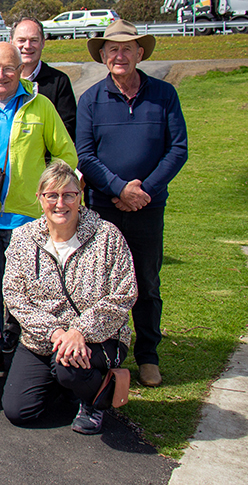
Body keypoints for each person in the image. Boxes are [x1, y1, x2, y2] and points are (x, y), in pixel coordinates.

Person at [0, 42, 77, 376]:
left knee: (29, 291)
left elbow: (66, 156)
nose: (1, 76)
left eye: (9, 68)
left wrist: (47, 198)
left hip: (28, 219)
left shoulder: (41, 107)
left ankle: (26, 352)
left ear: (20, 70)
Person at [76, 20, 188, 388]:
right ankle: (103, 348)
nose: (119, 55)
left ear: (140, 53)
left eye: (126, 49)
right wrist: (120, 189)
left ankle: (148, 355)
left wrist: (144, 192)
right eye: (112, 49)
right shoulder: (91, 99)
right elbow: (86, 155)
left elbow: (177, 149)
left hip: (148, 208)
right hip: (103, 208)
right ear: (103, 56)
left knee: (146, 281)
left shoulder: (164, 94)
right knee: (99, 284)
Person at [2, 160, 137, 434]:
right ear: (40, 199)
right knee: (19, 411)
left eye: (68, 195)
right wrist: (56, 333)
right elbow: (14, 296)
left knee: (68, 367)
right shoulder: (23, 239)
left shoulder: (107, 236)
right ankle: (67, 385)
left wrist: (79, 331)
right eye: (51, 195)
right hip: (43, 339)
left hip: (100, 337)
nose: (60, 203)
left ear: (80, 198)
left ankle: (94, 400)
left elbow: (124, 293)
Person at [10, 17, 77, 139]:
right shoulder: (1, 81)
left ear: (43, 43)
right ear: (11, 42)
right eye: (22, 40)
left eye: (34, 40)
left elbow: (67, 128)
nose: (27, 46)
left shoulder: (59, 82)